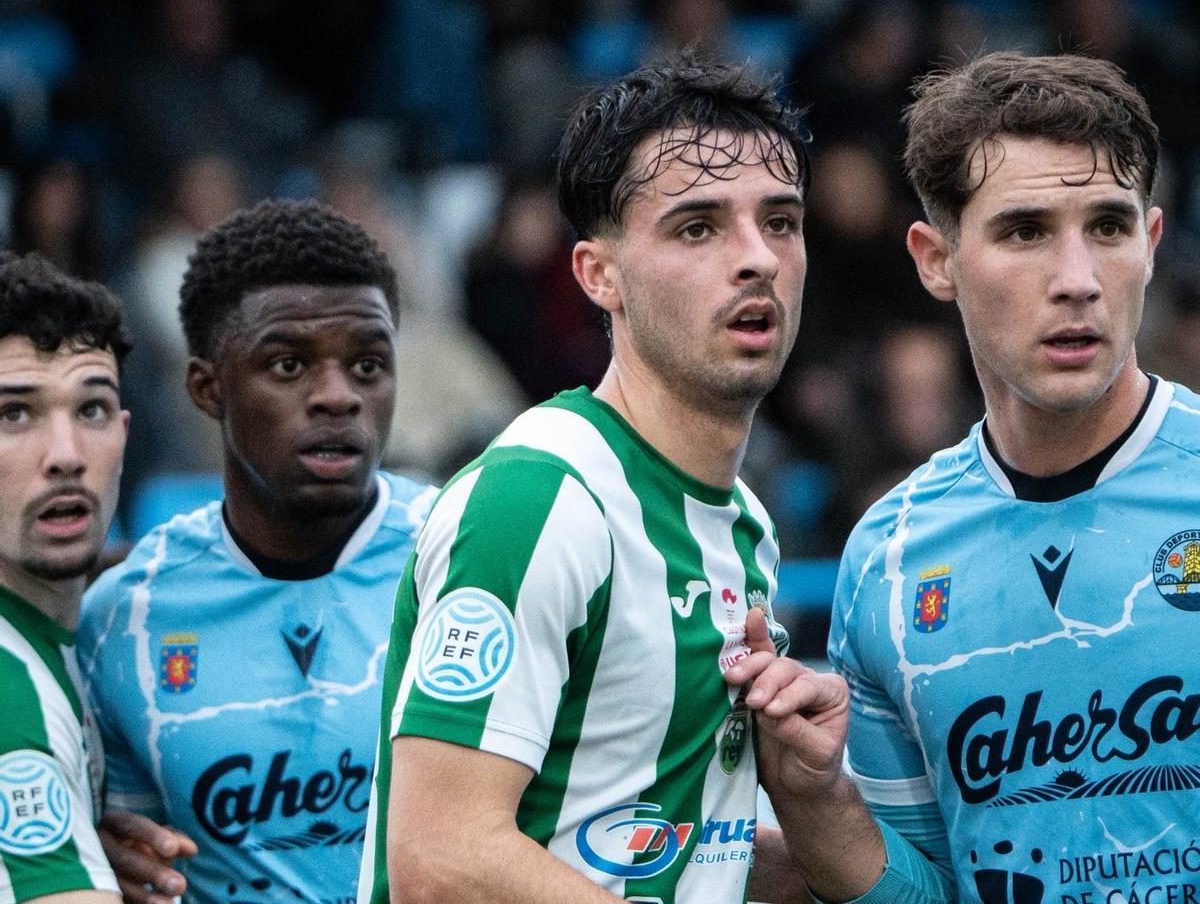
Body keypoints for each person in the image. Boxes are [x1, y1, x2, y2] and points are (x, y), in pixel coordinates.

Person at [731, 51, 1190, 904]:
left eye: (1109, 227)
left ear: (1152, 241)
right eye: (1024, 232)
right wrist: (815, 796)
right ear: (935, 259)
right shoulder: (890, 558)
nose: (1078, 282)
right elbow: (927, 891)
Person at [358, 54, 809, 903]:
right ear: (599, 275)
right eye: (698, 227)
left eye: (780, 222)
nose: (757, 259)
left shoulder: (744, 520)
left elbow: (680, 851)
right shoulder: (539, 500)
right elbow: (440, 862)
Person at [78, 200, 436, 903]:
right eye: (288, 365)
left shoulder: (464, 557)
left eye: (368, 365)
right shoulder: (125, 619)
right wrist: (105, 859)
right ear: (208, 388)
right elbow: (126, 850)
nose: (338, 397)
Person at [0, 252, 130, 901]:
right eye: (14, 415)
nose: (67, 457)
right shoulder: (8, 682)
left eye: (92, 409)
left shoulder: (50, 642)